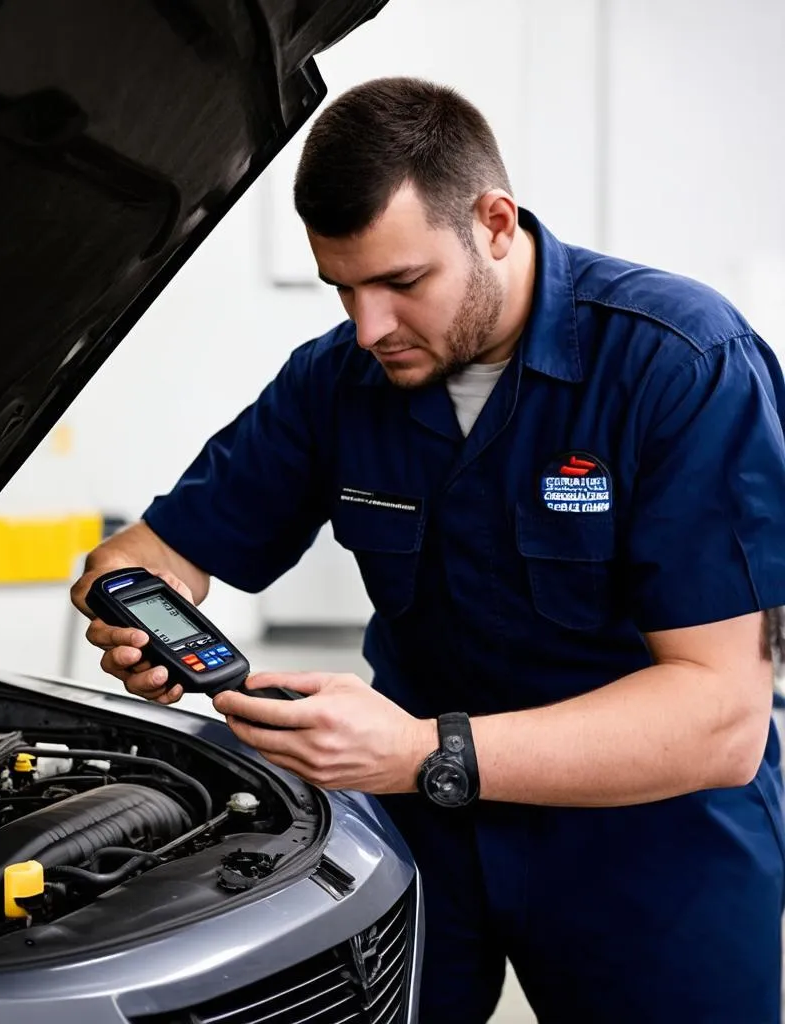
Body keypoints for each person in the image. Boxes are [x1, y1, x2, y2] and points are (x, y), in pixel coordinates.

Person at [70, 76, 785, 1022]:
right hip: (423, 839)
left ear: (494, 222)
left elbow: (723, 717)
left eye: (402, 283)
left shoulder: (681, 364)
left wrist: (420, 750)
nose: (369, 328)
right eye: (344, 288)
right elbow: (147, 552)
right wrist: (133, 605)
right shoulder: (336, 381)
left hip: (654, 844)